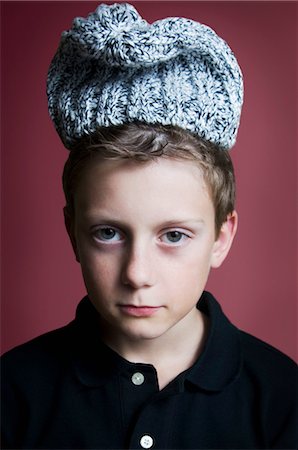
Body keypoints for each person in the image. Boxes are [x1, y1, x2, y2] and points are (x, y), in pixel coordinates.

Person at [1, 3, 296, 449]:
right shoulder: (13, 393)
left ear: (221, 237)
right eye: (108, 233)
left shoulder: (282, 398)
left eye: (173, 236)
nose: (137, 274)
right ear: (72, 232)